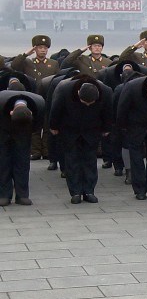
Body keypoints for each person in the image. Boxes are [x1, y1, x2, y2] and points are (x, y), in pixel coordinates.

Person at [49, 76, 113, 204]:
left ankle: (89, 191)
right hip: (69, 130)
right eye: (85, 103)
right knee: (72, 161)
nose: (88, 105)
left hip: (92, 130)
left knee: (90, 161)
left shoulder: (106, 91)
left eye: (91, 103)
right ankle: (75, 192)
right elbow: (55, 110)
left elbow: (108, 112)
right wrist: (53, 126)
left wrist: (107, 128)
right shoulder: (65, 90)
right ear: (78, 93)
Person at [11, 34, 60, 161]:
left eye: (45, 48)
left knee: (47, 125)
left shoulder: (53, 64)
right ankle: (35, 151)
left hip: (47, 99)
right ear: (35, 49)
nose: (43, 50)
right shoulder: (27, 62)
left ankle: (47, 150)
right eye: (40, 47)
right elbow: (14, 66)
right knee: (34, 126)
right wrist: (26, 54)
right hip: (32, 98)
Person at [0, 89, 45, 206]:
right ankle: (4, 195)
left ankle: (22, 195)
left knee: (22, 162)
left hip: (24, 132)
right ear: (11, 112)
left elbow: (37, 127)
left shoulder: (39, 104)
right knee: (3, 162)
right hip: (2, 129)